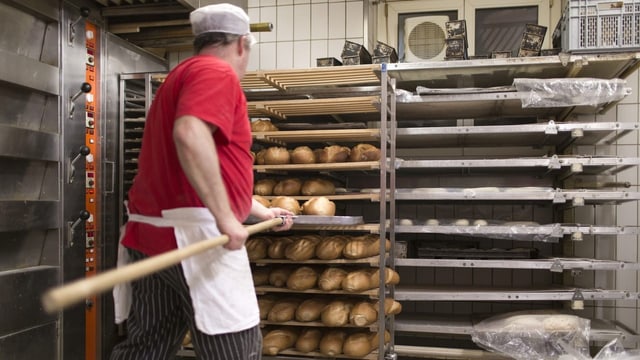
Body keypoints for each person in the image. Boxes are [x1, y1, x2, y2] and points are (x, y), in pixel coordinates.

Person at [110, 3, 293, 359]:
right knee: (234, 350)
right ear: (242, 44)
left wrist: (260, 211)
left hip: (150, 237)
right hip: (196, 239)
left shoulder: (180, 77)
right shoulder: (217, 73)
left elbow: (204, 168)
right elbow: (191, 135)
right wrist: (228, 219)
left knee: (148, 347)